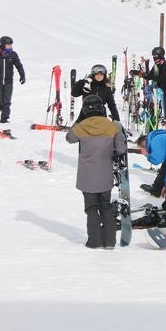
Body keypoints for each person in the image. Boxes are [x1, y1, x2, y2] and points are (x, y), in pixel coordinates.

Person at [65, 94, 126, 249]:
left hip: (87, 176)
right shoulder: (113, 126)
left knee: (91, 208)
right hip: (105, 174)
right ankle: (110, 242)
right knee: (105, 206)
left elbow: (69, 138)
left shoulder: (82, 126)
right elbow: (121, 149)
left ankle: (94, 241)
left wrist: (79, 121)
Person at [0, 35, 25, 123]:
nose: (10, 47)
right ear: (2, 45)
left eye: (11, 45)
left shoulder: (13, 55)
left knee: (7, 101)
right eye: (8, 45)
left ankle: (4, 118)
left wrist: (22, 76)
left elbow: (19, 66)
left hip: (8, 82)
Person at [145, 47, 166, 120]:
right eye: (153, 56)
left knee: (163, 110)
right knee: (153, 110)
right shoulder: (156, 65)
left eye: (155, 56)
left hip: (163, 91)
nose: (154, 58)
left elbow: (161, 78)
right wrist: (144, 75)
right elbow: (150, 75)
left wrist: (151, 77)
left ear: (160, 55)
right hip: (155, 91)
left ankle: (165, 125)